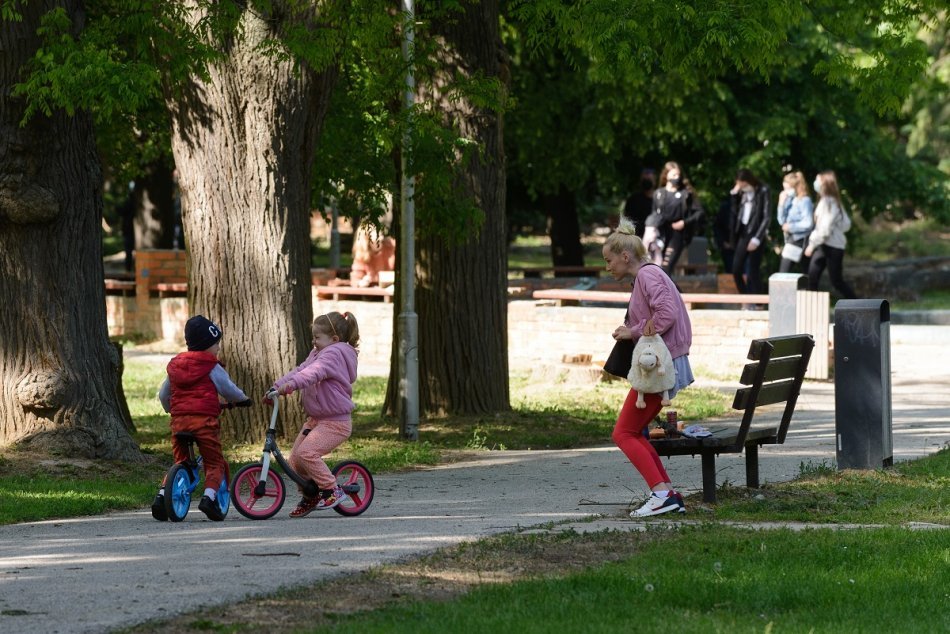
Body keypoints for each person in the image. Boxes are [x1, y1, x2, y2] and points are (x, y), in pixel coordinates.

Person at [602, 218, 694, 517]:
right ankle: (667, 492)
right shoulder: (649, 275)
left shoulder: (647, 276)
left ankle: (662, 494)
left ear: (625, 256)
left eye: (609, 259)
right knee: (633, 431)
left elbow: (665, 313)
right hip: (662, 365)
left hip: (660, 368)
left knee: (624, 433)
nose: (607, 266)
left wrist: (634, 331)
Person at [152, 315, 252, 522]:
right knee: (214, 462)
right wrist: (243, 399)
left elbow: (164, 395)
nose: (218, 348)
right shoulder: (211, 366)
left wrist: (171, 410)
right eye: (216, 344)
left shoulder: (176, 367)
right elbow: (228, 389)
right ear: (207, 344)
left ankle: (162, 496)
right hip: (204, 422)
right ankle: (209, 498)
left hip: (179, 422)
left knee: (181, 461)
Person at [267, 311, 360, 517]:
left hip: (335, 422)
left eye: (317, 337)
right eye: (313, 337)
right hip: (317, 420)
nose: (314, 341)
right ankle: (312, 495)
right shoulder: (318, 352)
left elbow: (312, 373)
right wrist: (278, 385)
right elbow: (302, 369)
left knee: (307, 454)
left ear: (334, 339)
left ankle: (332, 489)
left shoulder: (334, 354)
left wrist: (291, 386)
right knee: (296, 461)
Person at [805, 170, 857, 299]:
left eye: (818, 180)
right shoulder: (828, 201)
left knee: (836, 281)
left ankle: (859, 306)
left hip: (832, 246)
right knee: (812, 277)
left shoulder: (830, 203)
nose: (815, 183)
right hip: (824, 246)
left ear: (824, 183)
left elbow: (825, 229)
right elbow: (846, 224)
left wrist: (812, 244)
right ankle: (812, 310)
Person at [650, 161, 705, 275]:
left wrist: (684, 223)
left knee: (666, 268)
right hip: (661, 234)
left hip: (677, 235)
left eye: (678, 175)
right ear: (666, 175)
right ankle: (676, 292)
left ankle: (673, 293)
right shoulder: (658, 194)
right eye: (674, 175)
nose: (677, 178)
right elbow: (654, 214)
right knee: (659, 270)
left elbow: (699, 212)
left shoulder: (686, 194)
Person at [728, 168, 770, 297]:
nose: (742, 187)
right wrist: (734, 196)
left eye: (744, 184)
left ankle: (758, 303)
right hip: (743, 232)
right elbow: (734, 213)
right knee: (736, 268)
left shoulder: (763, 190)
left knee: (753, 270)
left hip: (756, 233)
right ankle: (745, 297)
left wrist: (757, 238)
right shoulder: (741, 193)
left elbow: (766, 216)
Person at [776, 171, 814, 273]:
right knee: (804, 271)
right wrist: (781, 204)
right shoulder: (790, 200)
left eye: (788, 189)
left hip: (799, 239)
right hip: (790, 239)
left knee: (783, 272)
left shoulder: (805, 201)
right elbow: (781, 221)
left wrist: (791, 227)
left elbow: (808, 223)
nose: (786, 192)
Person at [622, 168, 656, 238]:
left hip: (655, 239)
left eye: (649, 179)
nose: (647, 181)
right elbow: (626, 220)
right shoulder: (633, 199)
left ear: (654, 181)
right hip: (636, 239)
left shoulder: (659, 199)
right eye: (645, 180)